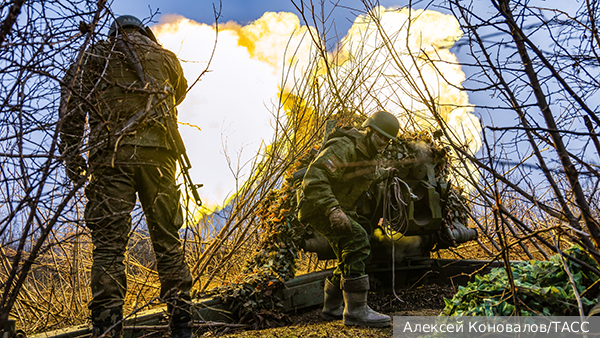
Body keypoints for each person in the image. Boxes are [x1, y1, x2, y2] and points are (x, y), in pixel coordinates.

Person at [59, 15, 193, 338]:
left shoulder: (95, 57)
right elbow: (181, 91)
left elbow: (72, 105)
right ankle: (182, 326)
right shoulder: (166, 58)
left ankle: (107, 330)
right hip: (158, 159)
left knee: (108, 248)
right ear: (144, 32)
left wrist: (72, 154)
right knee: (168, 243)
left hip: (111, 160)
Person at [298, 111, 400, 327]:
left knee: (351, 252)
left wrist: (386, 173)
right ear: (370, 130)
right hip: (319, 206)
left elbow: (365, 177)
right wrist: (333, 210)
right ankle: (356, 312)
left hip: (340, 207)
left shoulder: (368, 153)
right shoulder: (345, 147)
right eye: (381, 136)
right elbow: (314, 179)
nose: (383, 142)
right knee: (357, 241)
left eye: (387, 139)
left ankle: (333, 307)